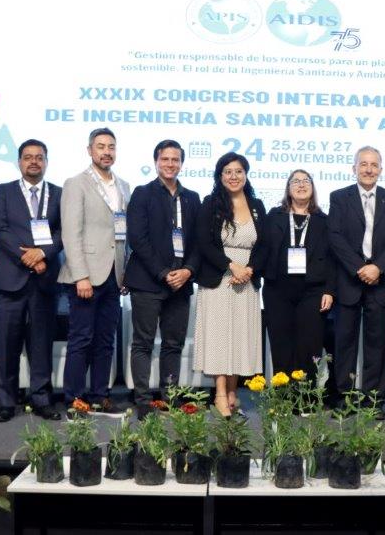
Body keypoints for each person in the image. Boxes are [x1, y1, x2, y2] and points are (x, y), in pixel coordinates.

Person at [328, 146, 385, 419]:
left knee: (378, 345)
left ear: (381, 169)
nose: (369, 169)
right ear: (354, 168)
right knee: (344, 343)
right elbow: (335, 236)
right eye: (363, 164)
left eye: (374, 165)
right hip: (349, 280)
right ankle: (344, 399)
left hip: (381, 282)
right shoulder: (339, 197)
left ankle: (374, 401)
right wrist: (360, 268)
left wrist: (378, 267)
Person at [125, 140, 200, 418]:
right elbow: (138, 239)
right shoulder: (142, 193)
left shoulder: (192, 198)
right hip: (148, 282)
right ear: (156, 161)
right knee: (143, 343)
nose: (170, 164)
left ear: (182, 163)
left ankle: (170, 397)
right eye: (165, 159)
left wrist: (188, 270)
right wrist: (163, 272)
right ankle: (143, 400)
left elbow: (199, 242)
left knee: (173, 344)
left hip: (181, 283)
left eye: (175, 159)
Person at [0, 139, 63, 422]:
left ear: (46, 162)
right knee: (8, 344)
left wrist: (42, 253)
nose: (34, 161)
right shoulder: (4, 191)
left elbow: (62, 231)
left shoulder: (59, 193)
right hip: (10, 279)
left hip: (44, 280)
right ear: (19, 162)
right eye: (28, 157)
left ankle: (42, 399)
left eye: (39, 157)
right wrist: (27, 257)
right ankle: (6, 402)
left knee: (41, 344)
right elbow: (0, 229)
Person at [58, 127, 130, 411]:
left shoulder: (124, 186)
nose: (106, 152)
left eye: (111, 147)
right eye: (100, 146)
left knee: (106, 340)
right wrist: (81, 276)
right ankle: (74, 398)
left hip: (114, 275)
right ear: (90, 150)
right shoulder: (76, 183)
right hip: (86, 275)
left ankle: (100, 395)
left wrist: (125, 273)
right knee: (81, 339)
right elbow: (70, 233)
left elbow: (124, 235)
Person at [193, 152, 267, 417]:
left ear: (246, 175)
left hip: (246, 280)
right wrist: (231, 266)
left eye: (238, 171)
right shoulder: (210, 203)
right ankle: (220, 394)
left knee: (240, 337)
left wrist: (249, 269)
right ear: (220, 176)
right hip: (219, 279)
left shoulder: (257, 205)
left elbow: (265, 244)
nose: (233, 176)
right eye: (228, 172)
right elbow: (204, 242)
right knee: (219, 338)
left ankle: (234, 392)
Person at [262, 170, 335, 382]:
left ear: (312, 187)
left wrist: (330, 290)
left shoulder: (324, 220)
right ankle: (283, 396)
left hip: (313, 291)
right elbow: (263, 248)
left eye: (306, 181)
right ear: (288, 188)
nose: (301, 185)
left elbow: (333, 259)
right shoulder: (274, 216)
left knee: (309, 347)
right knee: (281, 346)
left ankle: (306, 396)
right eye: (296, 181)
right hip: (277, 290)